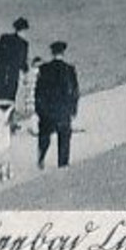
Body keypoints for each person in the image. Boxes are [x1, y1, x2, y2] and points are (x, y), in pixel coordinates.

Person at [34, 41, 80, 170]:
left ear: (52, 53)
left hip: (47, 112)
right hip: (63, 111)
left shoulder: (44, 68)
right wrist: (73, 110)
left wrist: (39, 110)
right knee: (64, 139)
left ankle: (41, 158)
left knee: (44, 136)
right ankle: (63, 164)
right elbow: (75, 93)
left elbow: (38, 92)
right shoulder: (70, 69)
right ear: (63, 53)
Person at [0, 17, 31, 106]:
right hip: (12, 77)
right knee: (9, 101)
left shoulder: (4, 38)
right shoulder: (23, 44)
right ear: (23, 30)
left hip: (0, 75)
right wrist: (28, 70)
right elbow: (22, 63)